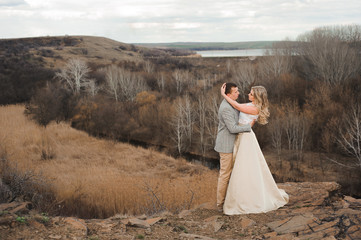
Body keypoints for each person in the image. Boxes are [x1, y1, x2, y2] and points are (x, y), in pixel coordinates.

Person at [220, 84, 289, 215]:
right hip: (241, 136)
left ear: (257, 96)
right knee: (243, 167)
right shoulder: (251, 105)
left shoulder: (255, 109)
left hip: (246, 138)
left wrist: (224, 95)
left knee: (244, 168)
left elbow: (237, 106)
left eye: (251, 94)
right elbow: (237, 107)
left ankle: (247, 200)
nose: (248, 95)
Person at [214, 83, 253, 212]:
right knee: (225, 175)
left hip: (234, 144)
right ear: (229, 94)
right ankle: (220, 205)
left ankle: (231, 200)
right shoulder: (225, 108)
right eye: (235, 92)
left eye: (238, 91)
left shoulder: (232, 103)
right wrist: (249, 127)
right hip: (226, 146)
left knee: (233, 174)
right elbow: (232, 128)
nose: (238, 94)